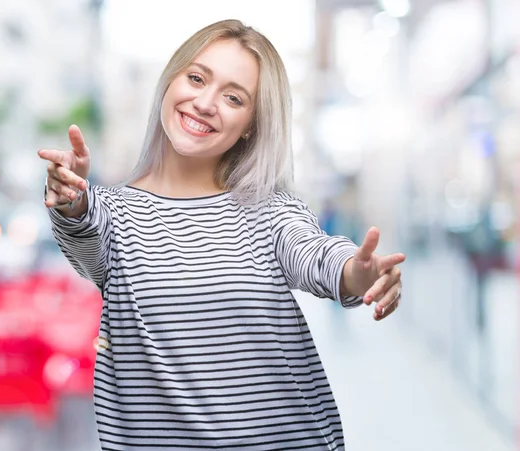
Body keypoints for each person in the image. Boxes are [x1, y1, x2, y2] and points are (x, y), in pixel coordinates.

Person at [38, 19, 404, 451]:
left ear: (250, 124)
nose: (206, 103)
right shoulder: (112, 213)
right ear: (170, 80)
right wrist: (70, 200)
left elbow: (316, 254)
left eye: (234, 97)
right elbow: (84, 239)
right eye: (196, 78)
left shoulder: (269, 210)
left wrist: (357, 273)